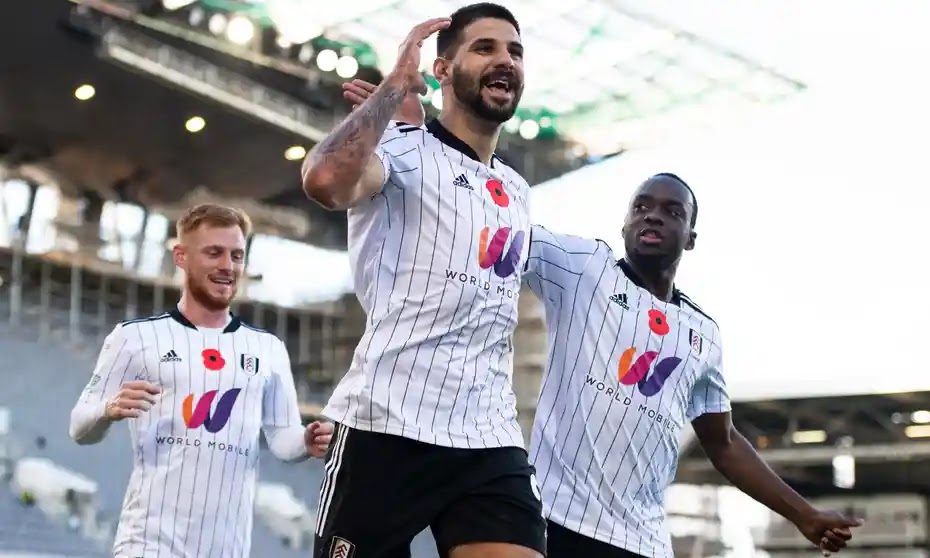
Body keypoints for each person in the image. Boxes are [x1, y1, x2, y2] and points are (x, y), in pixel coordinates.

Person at [301, 3, 546, 558]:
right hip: (388, 424)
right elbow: (324, 181)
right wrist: (393, 88)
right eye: (484, 48)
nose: (505, 60)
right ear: (442, 70)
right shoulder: (400, 148)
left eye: (515, 51)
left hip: (488, 436)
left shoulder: (517, 190)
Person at [522, 174, 862, 557]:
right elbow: (509, 229)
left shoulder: (703, 334)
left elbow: (724, 443)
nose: (652, 216)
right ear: (625, 225)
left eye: (672, 211)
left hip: (643, 542)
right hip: (557, 521)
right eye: (641, 207)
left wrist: (805, 515)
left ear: (690, 238)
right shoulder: (583, 268)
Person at [68, 203, 334, 558]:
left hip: (227, 548)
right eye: (214, 253)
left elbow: (282, 437)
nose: (228, 266)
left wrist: (306, 440)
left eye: (237, 256)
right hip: (148, 544)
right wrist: (107, 409)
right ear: (181, 256)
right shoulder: (134, 338)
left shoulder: (267, 348)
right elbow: (79, 427)